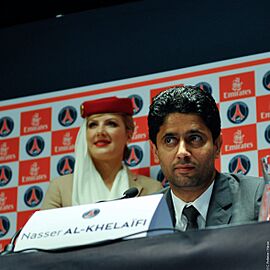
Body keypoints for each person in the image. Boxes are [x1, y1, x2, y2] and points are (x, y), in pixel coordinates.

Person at [147, 85, 264, 231]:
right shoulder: (144, 215)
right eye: (170, 140)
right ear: (155, 151)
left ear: (217, 145)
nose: (182, 152)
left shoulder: (259, 198)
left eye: (195, 138)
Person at [42, 96, 162, 209]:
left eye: (111, 124)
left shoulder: (151, 190)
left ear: (129, 134)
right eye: (93, 125)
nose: (100, 132)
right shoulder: (61, 189)